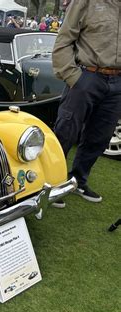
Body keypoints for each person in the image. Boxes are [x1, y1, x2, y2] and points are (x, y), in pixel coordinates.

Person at [51, 0, 121, 207]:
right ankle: (51, 183)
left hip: (117, 83)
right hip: (87, 76)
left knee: (100, 136)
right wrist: (73, 77)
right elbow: (64, 39)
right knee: (66, 130)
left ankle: (78, 181)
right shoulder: (86, 1)